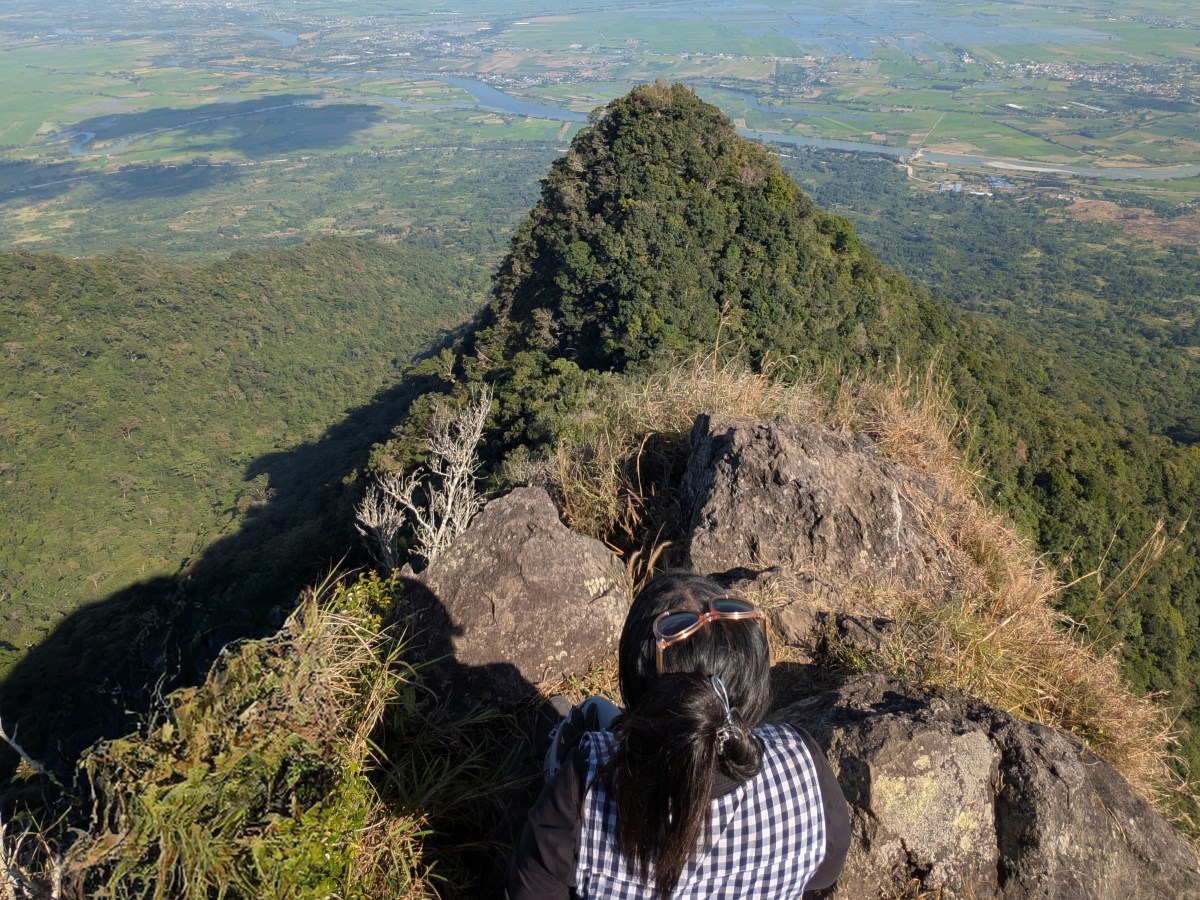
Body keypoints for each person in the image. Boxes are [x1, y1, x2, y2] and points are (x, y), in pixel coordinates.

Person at [507, 571, 850, 899]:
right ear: (753, 684)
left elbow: (531, 891)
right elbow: (825, 871)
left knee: (592, 713)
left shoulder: (584, 784)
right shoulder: (803, 765)